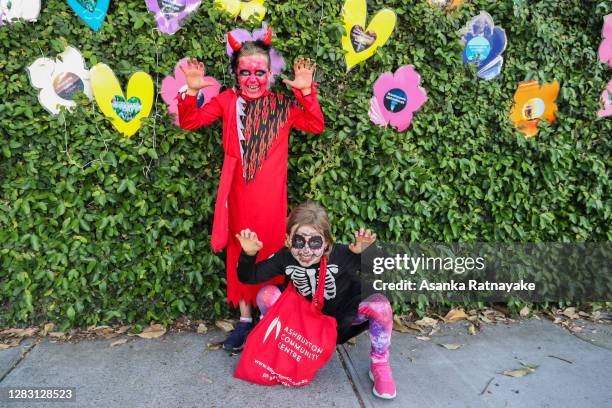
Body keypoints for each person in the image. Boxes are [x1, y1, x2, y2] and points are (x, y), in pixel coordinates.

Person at [177, 24, 325, 352]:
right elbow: (189, 122)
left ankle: (266, 315)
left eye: (260, 71)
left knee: (271, 250)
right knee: (240, 251)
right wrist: (190, 91)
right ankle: (245, 320)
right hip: (238, 198)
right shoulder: (227, 101)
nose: (253, 79)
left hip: (272, 202)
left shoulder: (283, 106)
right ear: (236, 74)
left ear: (270, 73)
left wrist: (305, 93)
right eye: (246, 72)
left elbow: (316, 125)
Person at [235, 201, 397, 399]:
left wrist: (367, 254)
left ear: (327, 243)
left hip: (340, 324)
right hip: (302, 330)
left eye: (314, 242)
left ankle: (380, 364)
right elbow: (248, 276)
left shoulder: (345, 254)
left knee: (380, 304)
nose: (305, 251)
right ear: (288, 240)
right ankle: (279, 348)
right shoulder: (285, 258)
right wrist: (249, 254)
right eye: (298, 242)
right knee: (267, 294)